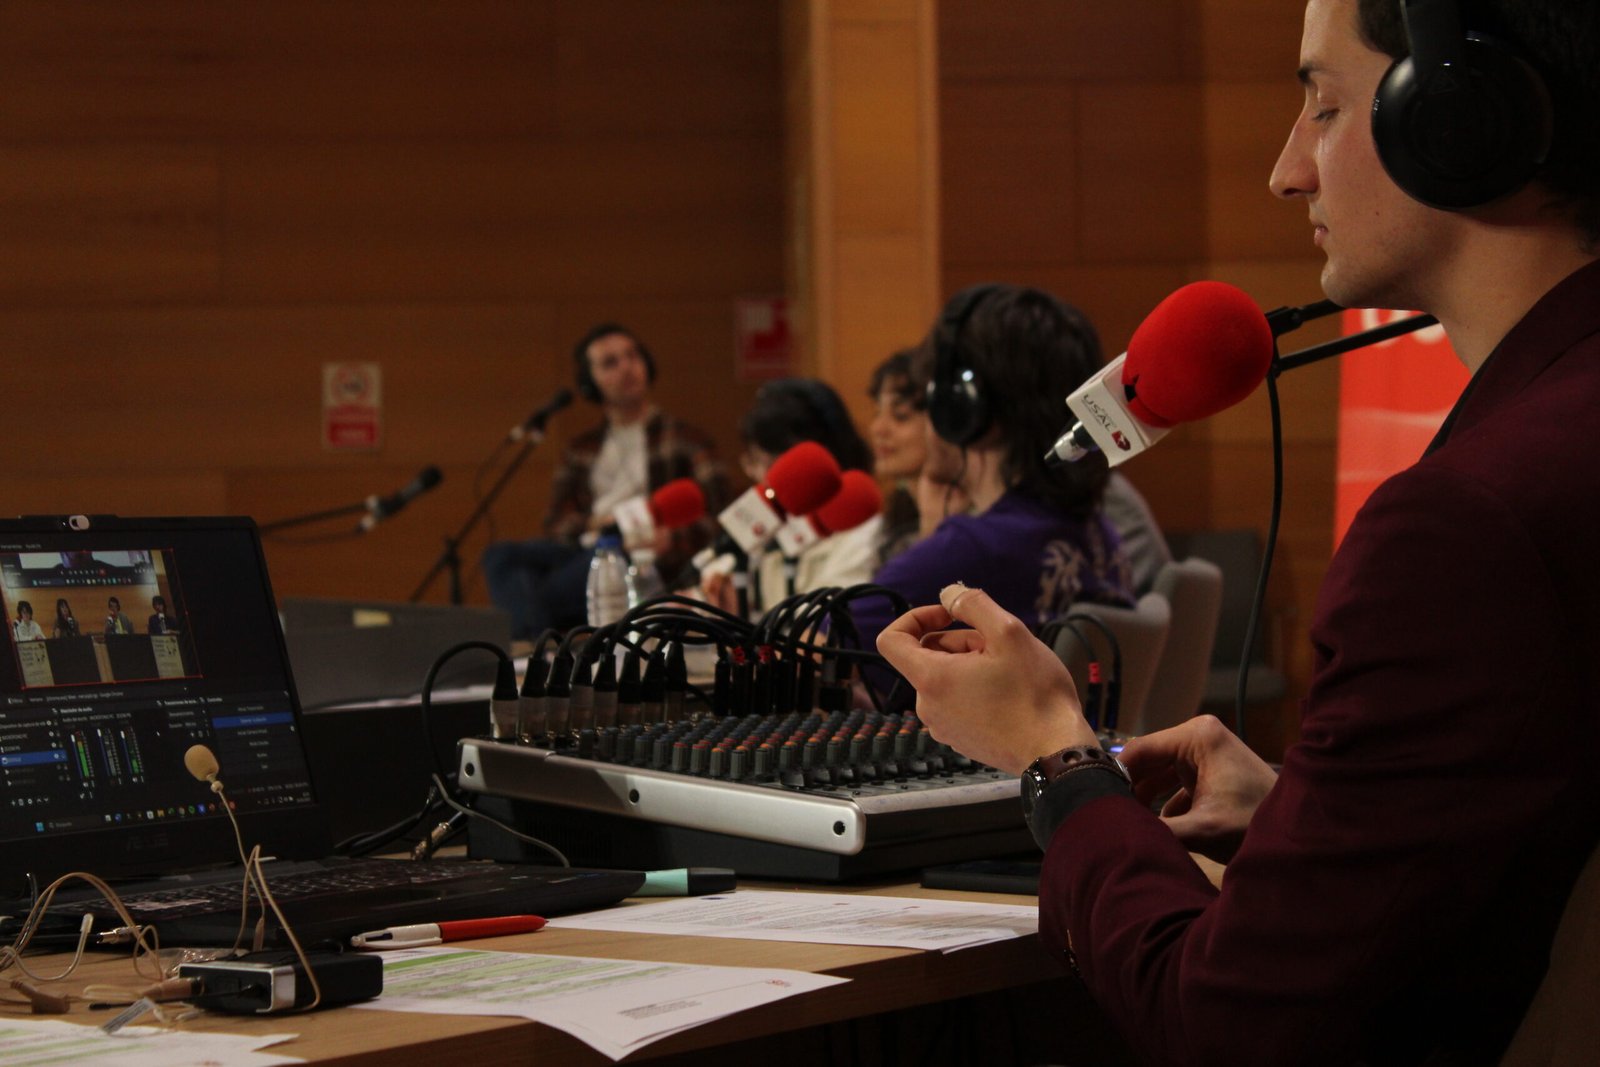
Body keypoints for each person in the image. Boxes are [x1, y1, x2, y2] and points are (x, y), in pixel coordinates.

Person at [877, 1, 1600, 1063]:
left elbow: (1226, 1026)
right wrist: (1307, 816)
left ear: (1459, 118)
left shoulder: (1462, 527)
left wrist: (1053, 756)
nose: (1286, 171)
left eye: (1324, 106)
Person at [849, 284, 1133, 657]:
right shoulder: (1098, 533)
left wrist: (937, 546)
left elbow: (812, 648)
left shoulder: (973, 549)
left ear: (963, 409)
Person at [481, 323, 728, 638]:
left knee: (542, 593)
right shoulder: (581, 449)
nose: (626, 367)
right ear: (590, 383)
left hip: (640, 551)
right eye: (610, 363)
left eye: (632, 356)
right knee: (500, 556)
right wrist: (596, 522)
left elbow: (719, 516)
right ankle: (539, 640)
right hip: (588, 545)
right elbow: (555, 523)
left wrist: (672, 540)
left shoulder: (685, 439)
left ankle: (536, 647)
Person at [703, 378, 880, 612]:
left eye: (764, 463)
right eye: (752, 461)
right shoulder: (770, 522)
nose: (756, 474)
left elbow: (826, 620)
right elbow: (718, 572)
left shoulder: (858, 529)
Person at [866, 349, 928, 565]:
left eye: (900, 415)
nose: (877, 429)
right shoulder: (894, 523)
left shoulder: (976, 525)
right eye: (877, 412)